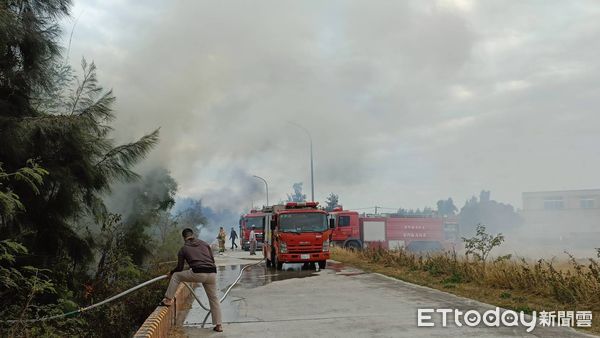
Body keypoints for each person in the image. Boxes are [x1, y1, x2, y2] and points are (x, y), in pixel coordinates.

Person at [161, 228, 223, 332]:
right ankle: (219, 325)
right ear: (193, 235)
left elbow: (179, 268)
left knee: (176, 276)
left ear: (183, 237)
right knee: (214, 299)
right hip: (212, 273)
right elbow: (212, 260)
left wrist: (170, 273)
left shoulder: (183, 249)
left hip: (198, 273)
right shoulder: (204, 244)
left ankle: (168, 300)